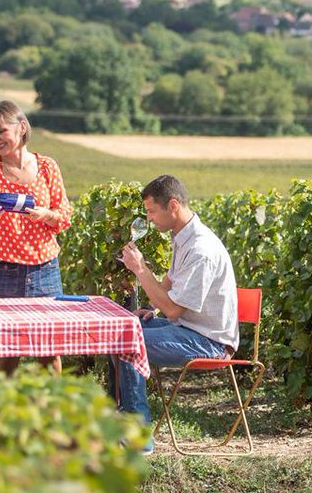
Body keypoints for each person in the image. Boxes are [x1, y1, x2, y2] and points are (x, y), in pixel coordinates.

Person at [116, 175, 239, 449]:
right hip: (187, 328)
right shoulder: (184, 236)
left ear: (172, 205)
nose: (149, 220)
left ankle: (137, 437)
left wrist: (140, 269)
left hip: (209, 342)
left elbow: (172, 310)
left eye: (151, 212)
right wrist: (150, 307)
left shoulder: (201, 249)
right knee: (121, 329)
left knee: (126, 341)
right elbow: (170, 282)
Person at [0, 99, 72, 374]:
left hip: (45, 271)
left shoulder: (47, 167)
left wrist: (46, 215)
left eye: (1, 131)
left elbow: (64, 215)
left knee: (49, 354)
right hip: (4, 272)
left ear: (22, 127)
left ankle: (53, 404)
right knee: (6, 354)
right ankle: (2, 405)